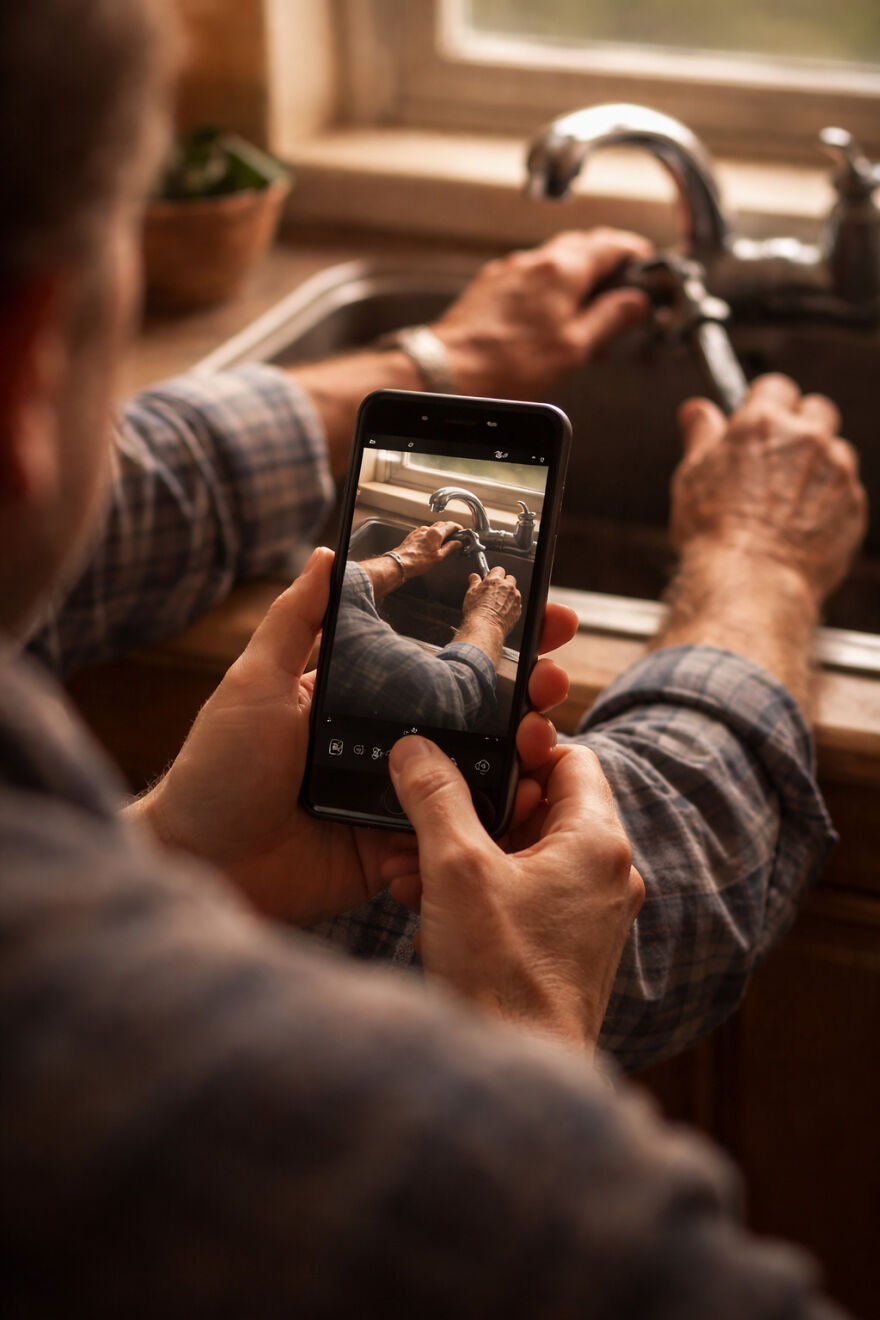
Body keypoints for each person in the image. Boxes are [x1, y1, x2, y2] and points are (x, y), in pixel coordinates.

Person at [0, 2, 869, 1316]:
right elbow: (638, 872)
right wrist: (757, 562)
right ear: (25, 357)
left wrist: (440, 362)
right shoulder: (486, 1196)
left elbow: (139, 485)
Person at [326, 524, 522, 731]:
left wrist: (400, 561)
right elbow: (449, 696)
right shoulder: (338, 643)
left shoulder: (317, 594)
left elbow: (332, 588)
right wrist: (489, 617)